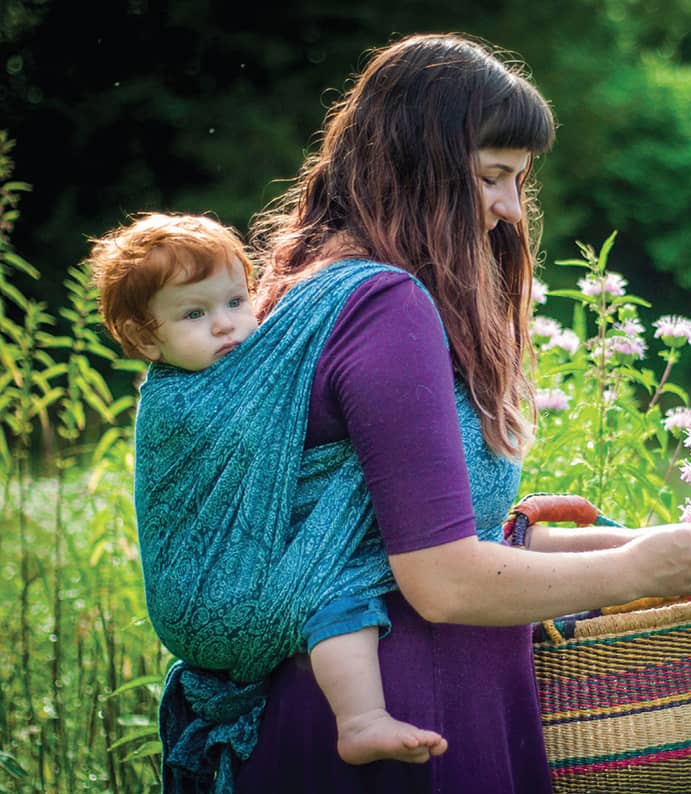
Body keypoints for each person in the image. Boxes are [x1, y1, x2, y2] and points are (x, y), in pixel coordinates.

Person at [233, 32, 691, 792]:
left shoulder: (301, 282)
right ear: (417, 164)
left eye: (518, 180)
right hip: (414, 719)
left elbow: (399, 541)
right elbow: (442, 581)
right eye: (493, 176)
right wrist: (632, 572)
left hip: (361, 705)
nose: (507, 209)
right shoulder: (383, 307)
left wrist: (638, 546)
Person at [88, 213, 449, 775]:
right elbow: (257, 461)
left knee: (333, 594)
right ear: (143, 338)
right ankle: (359, 721)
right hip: (211, 591)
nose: (225, 326)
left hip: (250, 573)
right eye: (194, 313)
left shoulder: (245, 367)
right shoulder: (174, 404)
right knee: (338, 600)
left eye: (235, 302)